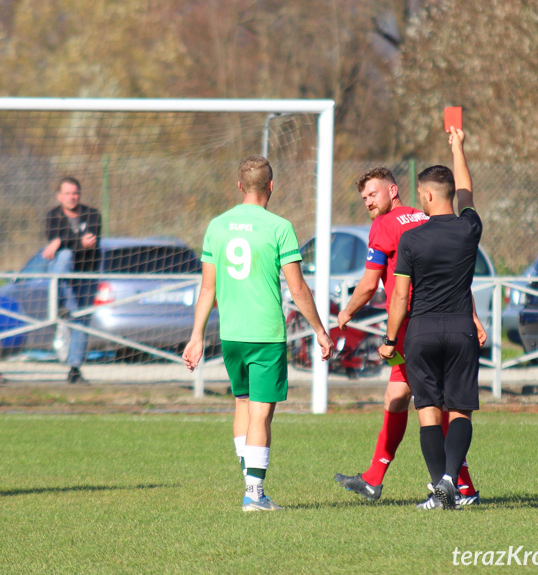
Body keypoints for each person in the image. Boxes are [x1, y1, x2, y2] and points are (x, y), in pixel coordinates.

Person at [183, 155, 332, 512]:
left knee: (243, 404)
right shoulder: (279, 227)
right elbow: (297, 289)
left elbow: (207, 289)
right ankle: (254, 494)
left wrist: (196, 336)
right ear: (271, 186)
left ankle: (250, 478)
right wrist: (320, 331)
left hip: (231, 333)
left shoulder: (217, 226)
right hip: (265, 333)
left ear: (239, 186)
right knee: (262, 414)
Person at [333, 166, 483, 508]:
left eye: (373, 194)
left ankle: (460, 487)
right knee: (399, 397)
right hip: (449, 319)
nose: (369, 203)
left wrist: (347, 312)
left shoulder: (384, 226)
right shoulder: (426, 216)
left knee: (429, 404)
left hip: (412, 329)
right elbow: (455, 272)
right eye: (365, 198)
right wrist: (471, 315)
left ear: (393, 190)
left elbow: (370, 284)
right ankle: (375, 478)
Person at [378, 127, 482, 510]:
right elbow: (467, 193)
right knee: (460, 410)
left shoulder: (412, 239)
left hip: (420, 333)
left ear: (424, 196)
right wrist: (458, 148)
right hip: (460, 329)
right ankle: (451, 482)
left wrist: (390, 340)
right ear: (450, 195)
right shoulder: (469, 229)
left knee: (427, 413)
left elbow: (401, 295)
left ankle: (441, 493)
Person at [42, 177, 102, 384]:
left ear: (80, 194)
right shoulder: (53, 215)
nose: (71, 197)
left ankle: (74, 368)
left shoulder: (92, 214)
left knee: (81, 321)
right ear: (60, 196)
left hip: (86, 273)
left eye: (75, 193)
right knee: (65, 256)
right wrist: (74, 241)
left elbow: (92, 242)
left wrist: (61, 240)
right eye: (67, 193)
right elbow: (53, 239)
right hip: (63, 276)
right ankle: (61, 300)